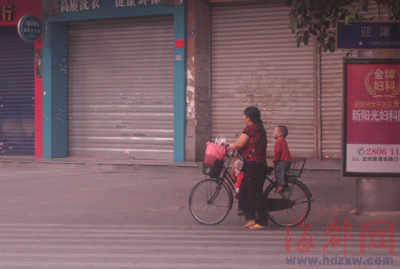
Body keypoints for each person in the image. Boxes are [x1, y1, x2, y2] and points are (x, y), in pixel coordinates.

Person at [228, 106, 270, 230]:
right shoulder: (259, 128)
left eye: (245, 116)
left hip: (254, 166)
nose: (244, 118)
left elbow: (239, 144)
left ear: (248, 117)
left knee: (255, 195)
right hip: (253, 166)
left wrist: (230, 145)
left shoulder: (251, 128)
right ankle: (252, 218)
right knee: (243, 193)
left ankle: (263, 222)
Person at [273, 125, 293, 193]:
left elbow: (278, 152)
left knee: (279, 171)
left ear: (279, 134)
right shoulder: (283, 141)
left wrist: (275, 160)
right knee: (283, 173)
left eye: (275, 132)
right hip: (287, 160)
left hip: (283, 160)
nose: (274, 133)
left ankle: (281, 185)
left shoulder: (278, 141)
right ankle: (285, 185)